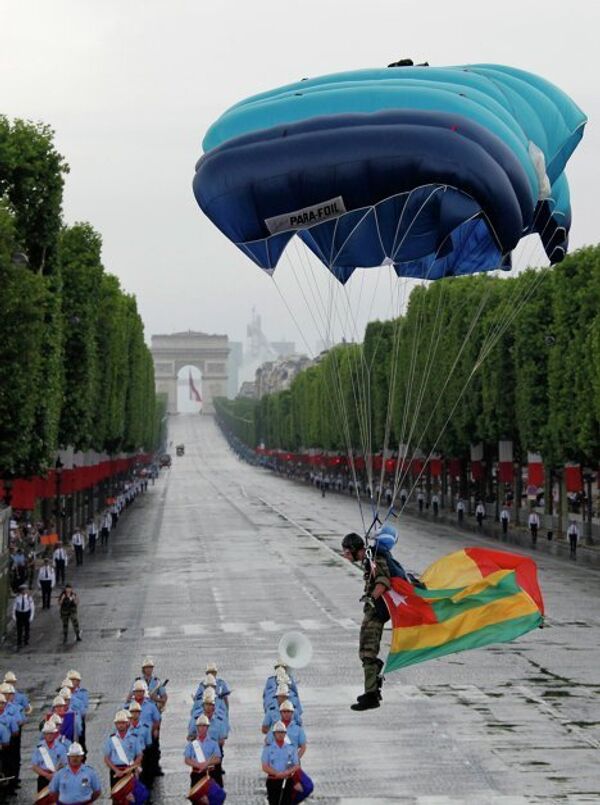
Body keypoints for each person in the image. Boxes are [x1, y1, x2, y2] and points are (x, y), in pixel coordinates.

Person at [341, 532, 391, 711]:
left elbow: (383, 581)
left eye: (347, 552)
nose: (346, 556)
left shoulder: (375, 558)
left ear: (355, 550)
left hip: (376, 613)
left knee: (367, 651)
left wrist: (371, 598)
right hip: (372, 612)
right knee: (365, 650)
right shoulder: (370, 558)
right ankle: (372, 691)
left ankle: (371, 695)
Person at [184, 714, 226, 804]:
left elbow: (218, 758)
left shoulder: (213, 743)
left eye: (204, 726)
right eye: (200, 726)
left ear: (207, 728)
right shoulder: (192, 744)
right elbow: (187, 759)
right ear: (197, 728)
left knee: (212, 800)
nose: (202, 728)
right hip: (196, 775)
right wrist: (198, 765)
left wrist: (207, 763)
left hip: (210, 774)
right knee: (197, 801)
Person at [261, 721, 300, 805]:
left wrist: (287, 772)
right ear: (274, 734)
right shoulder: (268, 749)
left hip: (287, 780)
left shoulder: (291, 748)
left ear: (285, 733)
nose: (280, 734)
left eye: (282, 732)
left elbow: (296, 765)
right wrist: (277, 774)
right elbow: (265, 766)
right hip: (273, 780)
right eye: (278, 732)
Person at [103, 710, 143, 790]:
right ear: (115, 724)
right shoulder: (111, 739)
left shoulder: (134, 738)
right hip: (116, 771)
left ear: (126, 723)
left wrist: (132, 767)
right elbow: (107, 758)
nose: (120, 725)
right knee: (117, 797)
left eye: (122, 723)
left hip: (129, 769)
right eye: (118, 723)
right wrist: (116, 770)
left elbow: (139, 755)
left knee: (131, 795)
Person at [31, 721, 68, 792]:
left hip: (57, 778)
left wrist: (55, 775)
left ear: (54, 734)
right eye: (47, 733)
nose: (49, 735)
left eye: (51, 733)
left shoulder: (61, 747)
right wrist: (46, 775)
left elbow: (65, 765)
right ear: (44, 734)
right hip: (43, 778)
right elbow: (34, 766)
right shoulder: (39, 747)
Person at [13, 584, 34, 648]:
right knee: (19, 628)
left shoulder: (29, 598)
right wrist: (14, 615)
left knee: (26, 628)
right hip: (19, 613)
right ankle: (19, 641)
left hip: (26, 613)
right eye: (23, 590)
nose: (24, 591)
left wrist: (31, 616)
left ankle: (26, 640)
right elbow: (14, 607)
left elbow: (32, 607)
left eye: (25, 590)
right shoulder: (17, 598)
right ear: (21, 591)